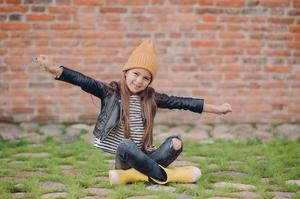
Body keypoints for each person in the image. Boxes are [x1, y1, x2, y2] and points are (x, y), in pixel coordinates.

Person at [33, 40, 232, 185]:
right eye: (136, 74)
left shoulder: (152, 98)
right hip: (125, 155)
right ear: (126, 72)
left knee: (176, 142)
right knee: (126, 144)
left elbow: (183, 102)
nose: (139, 81)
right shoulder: (110, 92)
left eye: (146, 78)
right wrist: (52, 69)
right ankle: (166, 176)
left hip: (144, 154)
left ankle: (135, 176)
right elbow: (83, 80)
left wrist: (217, 110)